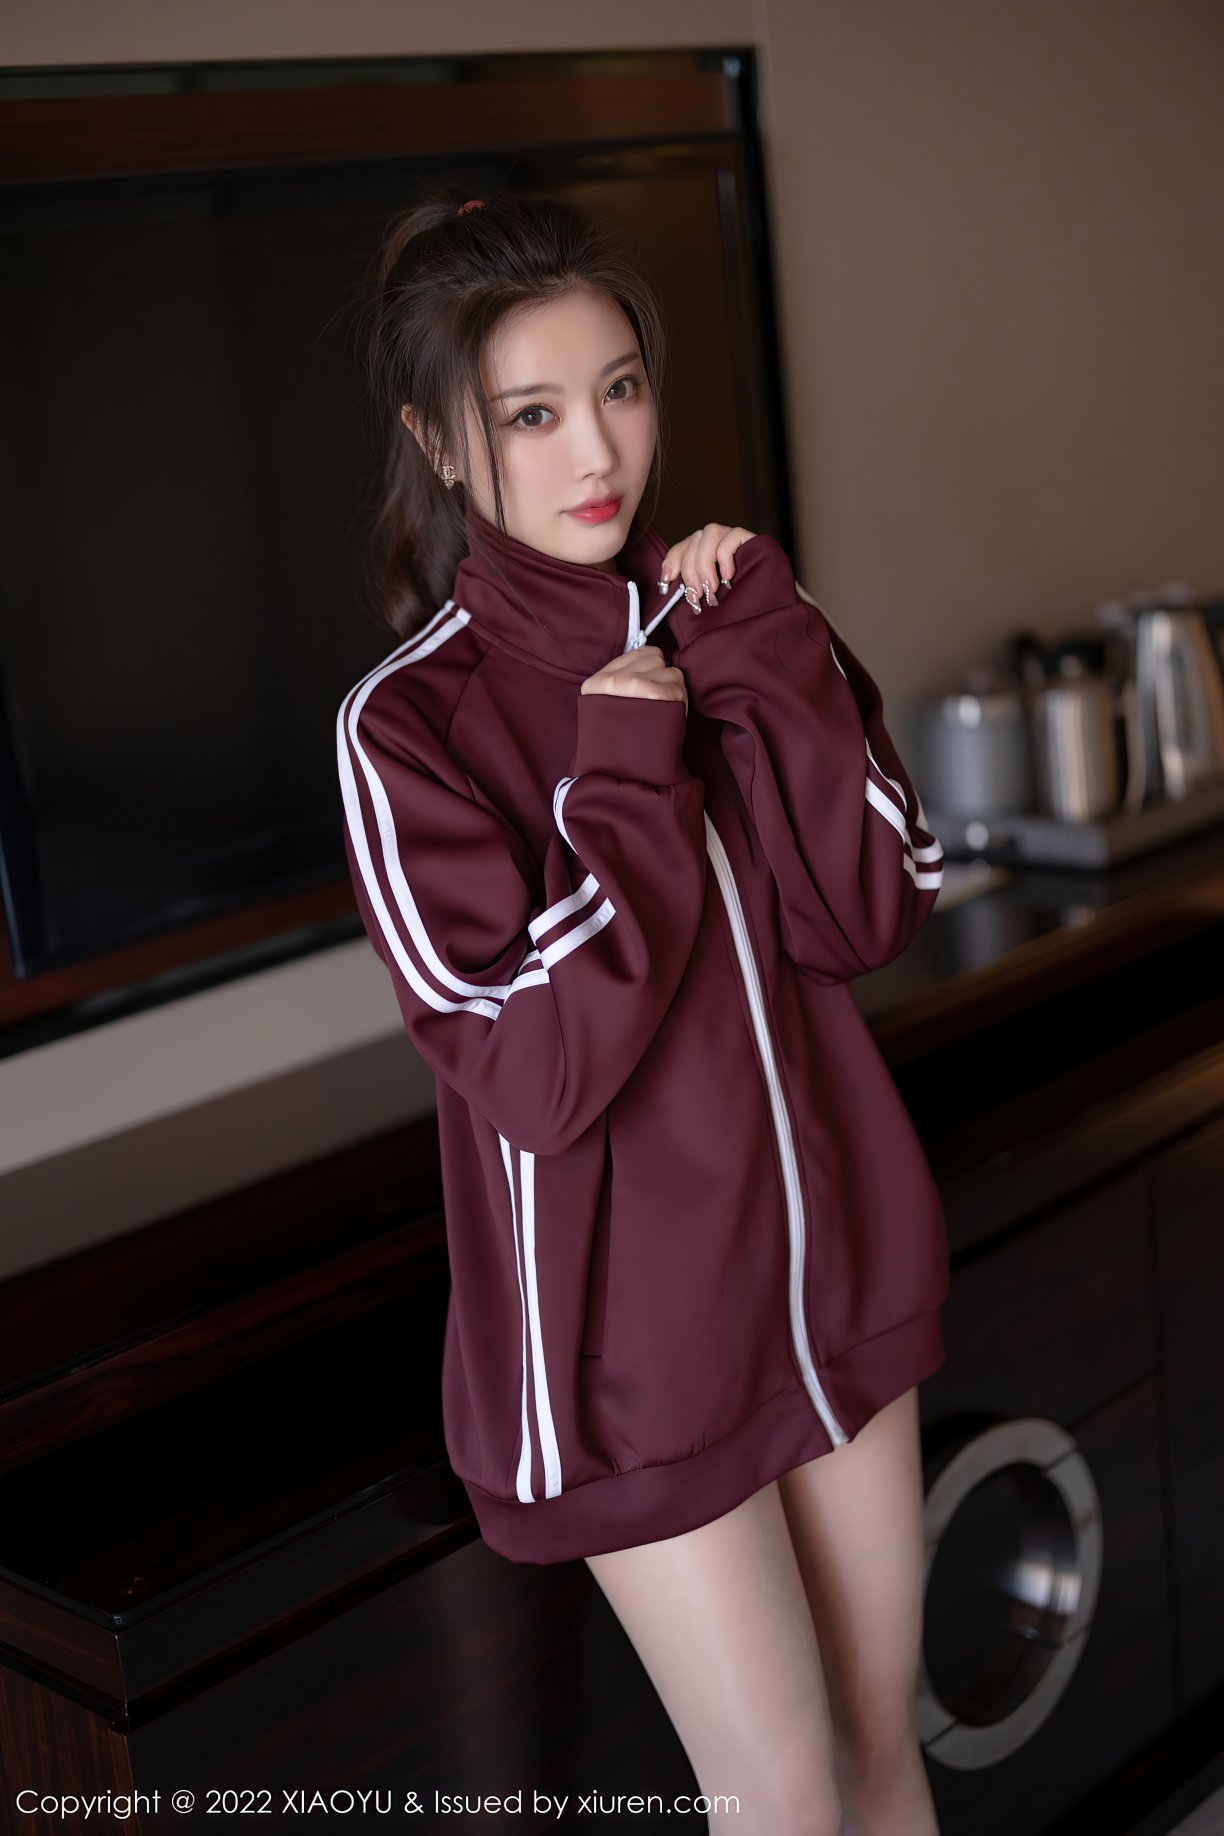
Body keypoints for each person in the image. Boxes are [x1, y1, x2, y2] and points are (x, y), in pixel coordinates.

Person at [336, 187, 948, 1836]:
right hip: (631, 1359)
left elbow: (869, 912)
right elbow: (538, 1071)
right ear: (440, 441)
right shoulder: (408, 726)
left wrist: (770, 658)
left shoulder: (731, 620)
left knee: (885, 1753)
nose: (596, 448)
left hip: (832, 1280)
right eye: (530, 413)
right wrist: (627, 780)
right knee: (782, 1800)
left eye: (618, 388)